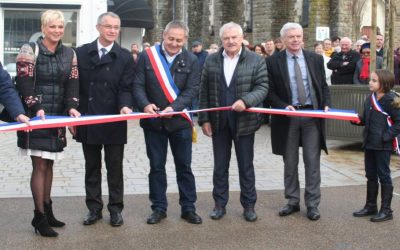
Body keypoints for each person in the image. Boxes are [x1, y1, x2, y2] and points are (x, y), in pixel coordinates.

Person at [16, 10, 80, 237]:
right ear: (43, 28)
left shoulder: (70, 53)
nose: (57, 31)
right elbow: (23, 84)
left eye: (60, 27)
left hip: (57, 118)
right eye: (52, 26)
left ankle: (49, 210)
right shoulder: (29, 50)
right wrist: (36, 108)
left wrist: (72, 107)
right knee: (40, 165)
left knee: (50, 164)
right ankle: (39, 216)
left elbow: (73, 84)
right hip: (36, 117)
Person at [133, 20, 202, 225]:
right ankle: (159, 208)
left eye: (179, 40)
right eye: (171, 38)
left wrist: (175, 107)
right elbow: (137, 84)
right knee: (156, 166)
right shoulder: (148, 56)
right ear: (164, 35)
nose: (174, 43)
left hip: (179, 122)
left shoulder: (191, 59)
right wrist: (145, 105)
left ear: (185, 40)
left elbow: (192, 89)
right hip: (154, 123)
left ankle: (188, 208)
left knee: (184, 166)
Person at [198, 22, 268, 222]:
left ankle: (249, 206)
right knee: (220, 166)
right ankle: (219, 204)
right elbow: (204, 91)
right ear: (221, 40)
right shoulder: (211, 60)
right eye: (226, 38)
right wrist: (204, 119)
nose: (230, 41)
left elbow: (263, 86)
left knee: (246, 166)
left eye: (234, 37)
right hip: (219, 122)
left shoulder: (256, 60)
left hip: (245, 122)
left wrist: (246, 101)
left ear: (241, 38)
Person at [266, 22, 330, 221]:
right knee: (290, 162)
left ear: (303, 38)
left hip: (312, 117)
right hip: (287, 118)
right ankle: (292, 201)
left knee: (312, 162)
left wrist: (326, 103)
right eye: (291, 37)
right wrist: (283, 105)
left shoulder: (315, 59)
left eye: (298, 36)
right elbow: (268, 92)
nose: (295, 40)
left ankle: (312, 204)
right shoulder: (273, 61)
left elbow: (323, 86)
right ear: (283, 40)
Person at [75, 12, 134, 227]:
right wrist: (73, 114)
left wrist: (125, 105)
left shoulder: (125, 57)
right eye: (108, 26)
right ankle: (94, 208)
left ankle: (116, 209)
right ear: (98, 27)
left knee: (114, 167)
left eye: (116, 27)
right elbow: (75, 86)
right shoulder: (81, 53)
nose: (112, 31)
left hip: (114, 119)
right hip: (88, 118)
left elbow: (126, 88)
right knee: (91, 167)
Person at [351, 69, 399, 222]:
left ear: (384, 83)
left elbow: (399, 123)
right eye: (370, 79)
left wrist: (386, 136)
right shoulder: (369, 98)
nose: (370, 82)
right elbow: (366, 119)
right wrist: (357, 120)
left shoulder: (392, 100)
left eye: (374, 80)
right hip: (370, 142)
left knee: (384, 175)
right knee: (370, 174)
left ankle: (386, 210)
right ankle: (371, 206)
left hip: (383, 145)